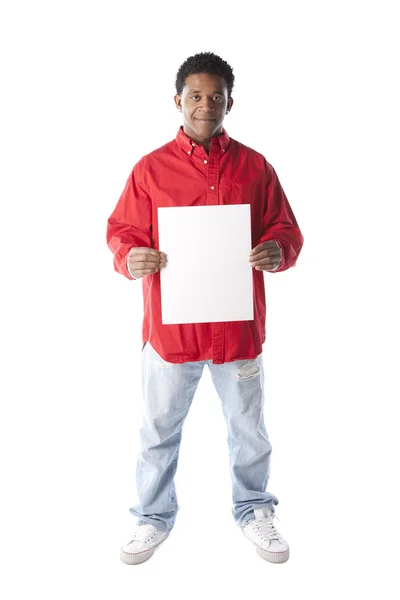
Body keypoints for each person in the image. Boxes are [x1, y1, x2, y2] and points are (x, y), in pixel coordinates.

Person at [106, 51, 304, 566]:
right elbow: (122, 234)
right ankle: (151, 517)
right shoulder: (150, 169)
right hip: (172, 335)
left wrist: (278, 249)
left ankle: (255, 510)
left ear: (229, 102)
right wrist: (132, 257)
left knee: (249, 431)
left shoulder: (256, 167)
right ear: (178, 100)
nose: (205, 104)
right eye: (195, 95)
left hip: (237, 330)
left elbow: (286, 229)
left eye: (216, 96)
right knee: (157, 431)